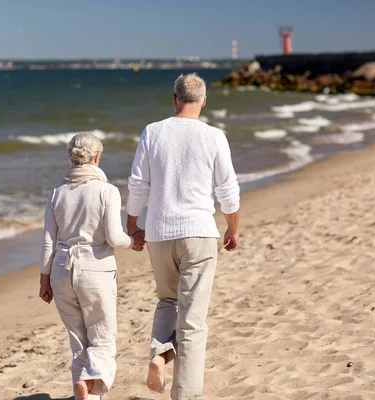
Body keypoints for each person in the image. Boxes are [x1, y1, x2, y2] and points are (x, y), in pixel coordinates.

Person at [126, 73, 241, 399]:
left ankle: (158, 357)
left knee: (167, 301)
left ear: (174, 99)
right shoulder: (214, 136)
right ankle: (185, 394)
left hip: (161, 233)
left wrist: (133, 226)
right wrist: (233, 228)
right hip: (199, 234)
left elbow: (138, 184)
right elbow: (227, 190)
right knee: (192, 322)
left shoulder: (153, 132)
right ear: (203, 101)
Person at [39, 132, 145, 400]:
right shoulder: (106, 191)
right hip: (95, 268)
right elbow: (114, 237)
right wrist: (134, 240)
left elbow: (48, 242)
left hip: (62, 269)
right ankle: (88, 382)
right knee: (103, 338)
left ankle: (84, 393)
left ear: (71, 157)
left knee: (78, 343)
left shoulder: (56, 193)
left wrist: (44, 280)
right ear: (97, 157)